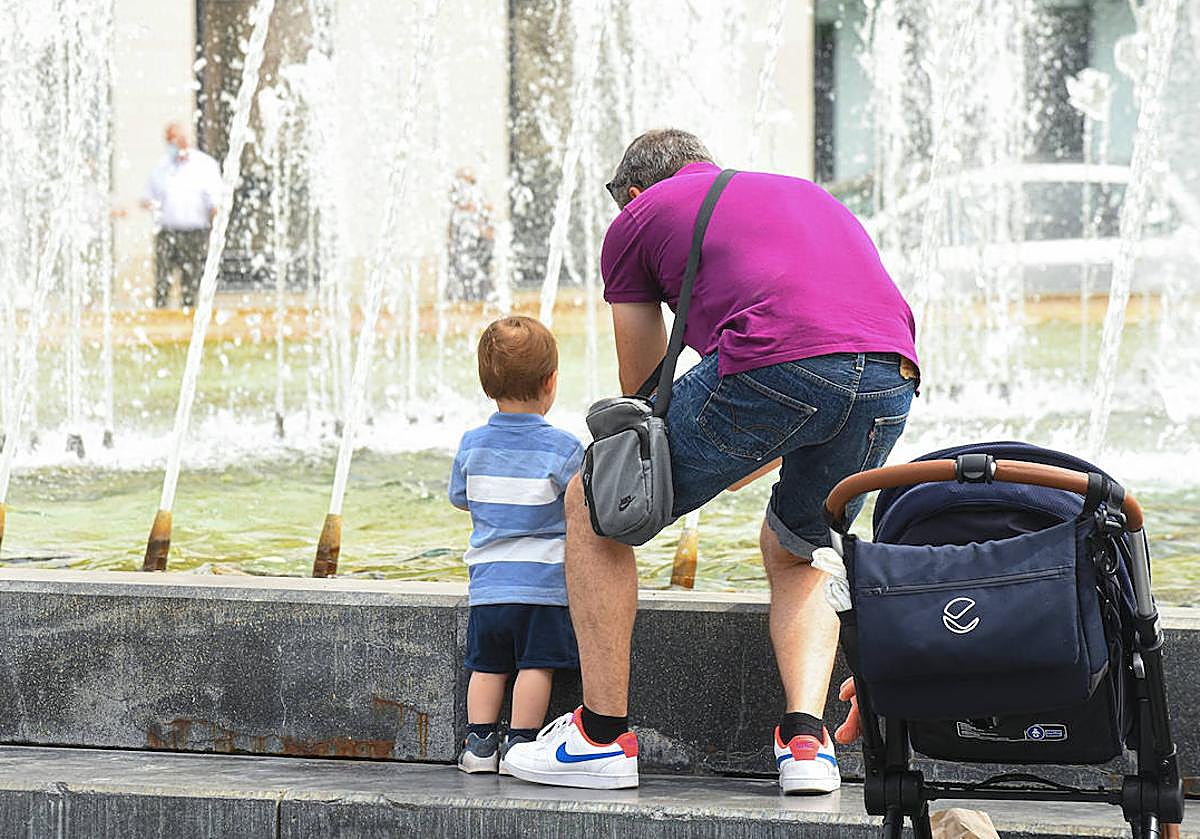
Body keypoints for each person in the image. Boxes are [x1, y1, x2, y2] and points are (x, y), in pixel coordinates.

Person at [502, 129, 919, 793]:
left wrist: (679, 471)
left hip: (778, 359)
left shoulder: (637, 219)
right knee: (799, 544)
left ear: (634, 194)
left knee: (593, 496)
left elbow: (640, 400)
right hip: (892, 374)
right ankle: (807, 746)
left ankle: (600, 737)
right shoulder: (796, 191)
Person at [448, 315, 584, 775]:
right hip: (542, 585)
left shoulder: (472, 445)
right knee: (535, 667)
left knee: (486, 667)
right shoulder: (565, 449)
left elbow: (460, 498)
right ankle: (521, 746)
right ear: (551, 383)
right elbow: (580, 507)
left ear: (487, 384)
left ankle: (479, 746)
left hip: (488, 586)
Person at [141, 122, 222, 309]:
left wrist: (216, 231)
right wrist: (152, 205)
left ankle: (189, 317)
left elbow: (215, 202)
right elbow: (147, 197)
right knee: (162, 279)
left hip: (195, 232)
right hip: (167, 232)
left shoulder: (205, 165)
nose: (171, 144)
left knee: (191, 281)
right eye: (168, 140)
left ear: (184, 139)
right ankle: (160, 318)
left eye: (174, 139)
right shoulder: (161, 167)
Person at [446, 168, 495, 302]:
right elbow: (452, 226)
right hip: (462, 243)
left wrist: (487, 233)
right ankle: (462, 298)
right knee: (462, 273)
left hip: (479, 241)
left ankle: (481, 298)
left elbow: (488, 213)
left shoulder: (479, 196)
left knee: (479, 273)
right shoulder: (457, 209)